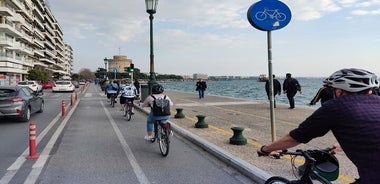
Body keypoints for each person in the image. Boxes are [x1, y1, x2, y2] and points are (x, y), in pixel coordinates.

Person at [257, 68, 380, 183]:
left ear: (339, 91)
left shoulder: (335, 107)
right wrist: (343, 145)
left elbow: (295, 137)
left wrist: (265, 150)